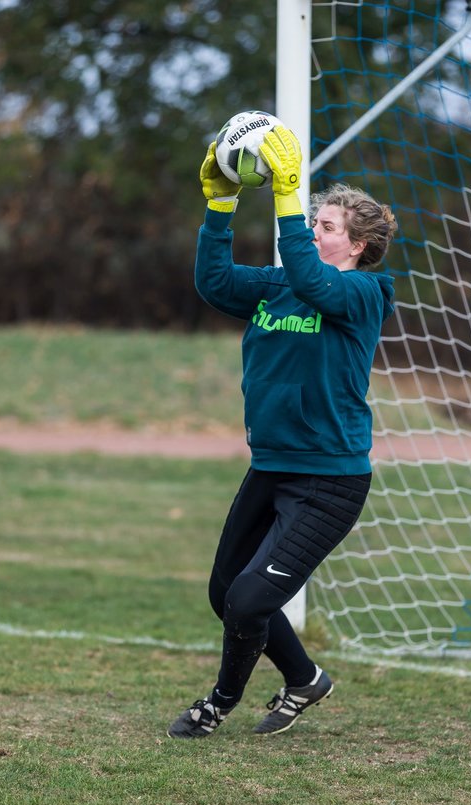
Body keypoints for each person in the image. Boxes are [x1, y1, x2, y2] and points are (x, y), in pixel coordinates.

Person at [168, 126, 397, 738]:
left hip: (330, 481)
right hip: (270, 467)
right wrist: (220, 205)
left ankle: (219, 702)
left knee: (248, 601)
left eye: (326, 225)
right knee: (225, 593)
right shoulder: (281, 284)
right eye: (314, 221)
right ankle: (306, 680)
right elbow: (214, 284)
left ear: (358, 244)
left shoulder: (365, 292)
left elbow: (314, 280)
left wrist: (287, 196)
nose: (312, 230)